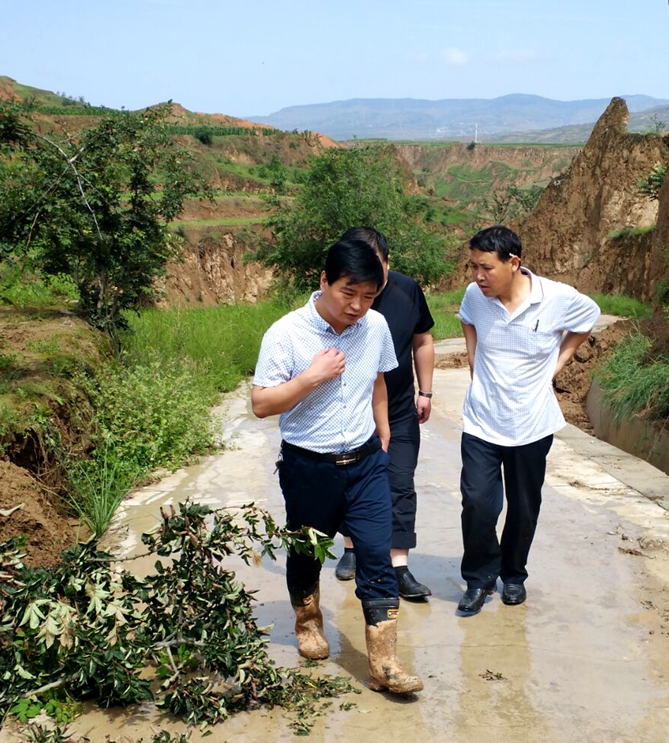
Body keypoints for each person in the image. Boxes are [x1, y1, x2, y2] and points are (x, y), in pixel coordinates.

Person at [251, 238, 422, 694]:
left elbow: (378, 379)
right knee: (308, 551)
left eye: (369, 296)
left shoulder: (376, 325)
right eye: (349, 292)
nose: (358, 306)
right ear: (324, 280)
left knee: (377, 556)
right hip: (309, 468)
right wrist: (311, 377)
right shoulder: (286, 334)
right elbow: (261, 404)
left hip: (366, 464)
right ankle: (308, 623)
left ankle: (384, 663)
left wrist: (383, 433)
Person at [455, 225, 600, 616]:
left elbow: (589, 316)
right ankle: (479, 578)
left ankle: (514, 574)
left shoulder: (556, 298)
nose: (478, 276)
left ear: (514, 263)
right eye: (473, 267)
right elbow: (467, 319)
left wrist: (557, 364)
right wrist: (474, 361)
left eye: (486, 268)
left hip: (532, 424)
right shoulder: (475, 296)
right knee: (478, 502)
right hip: (482, 421)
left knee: (523, 505)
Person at [333, 227, 436, 601]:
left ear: (388, 262)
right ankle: (351, 547)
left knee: (400, 482)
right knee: (351, 481)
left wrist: (425, 391)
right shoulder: (342, 296)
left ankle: (398, 566)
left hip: (399, 408)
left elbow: (422, 339)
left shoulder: (407, 291)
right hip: (351, 410)